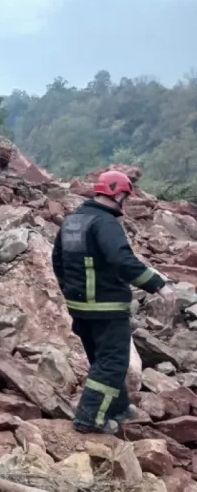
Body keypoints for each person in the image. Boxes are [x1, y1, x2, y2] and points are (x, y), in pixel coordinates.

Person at [52, 170, 177, 435]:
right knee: (112, 362)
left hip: (80, 307)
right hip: (106, 307)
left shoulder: (72, 221)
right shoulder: (105, 223)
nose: (126, 202)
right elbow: (122, 261)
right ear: (118, 194)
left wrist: (70, 291)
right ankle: (88, 418)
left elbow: (58, 261)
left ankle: (118, 407)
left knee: (103, 359)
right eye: (126, 197)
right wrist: (159, 285)